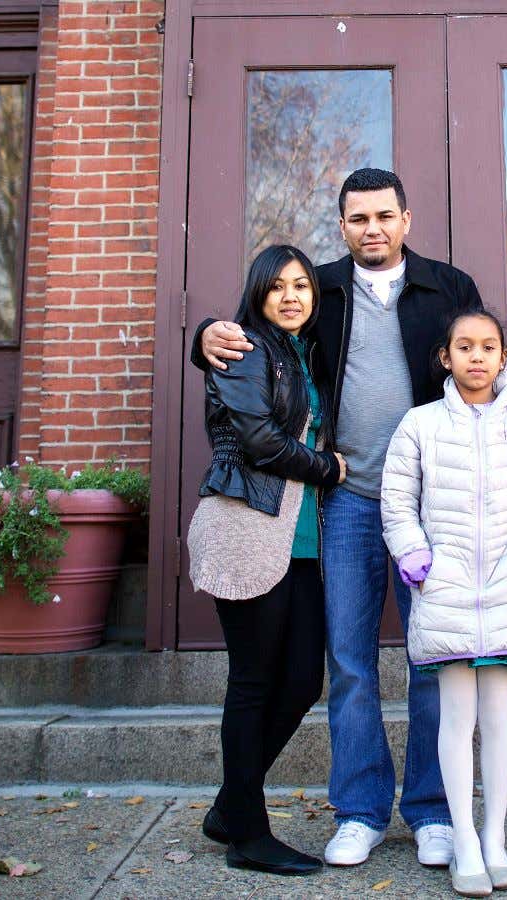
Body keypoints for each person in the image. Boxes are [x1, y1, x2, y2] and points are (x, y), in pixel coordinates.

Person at [197, 169, 483, 867]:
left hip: (430, 503)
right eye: (358, 218)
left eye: (384, 215)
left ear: (407, 219)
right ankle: (359, 810)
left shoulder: (450, 288)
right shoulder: (318, 286)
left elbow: (485, 356)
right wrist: (204, 332)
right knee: (349, 661)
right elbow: (257, 331)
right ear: (343, 225)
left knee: (432, 660)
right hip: (347, 502)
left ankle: (432, 812)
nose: (372, 228)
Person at [380, 311, 507, 897]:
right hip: (448, 588)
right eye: (464, 347)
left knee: (499, 717)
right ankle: (462, 841)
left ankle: (495, 838)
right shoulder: (420, 425)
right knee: (455, 718)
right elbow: (398, 500)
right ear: (446, 357)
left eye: (488, 347)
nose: (476, 357)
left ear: (503, 355)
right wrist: (413, 553)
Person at [185, 245, 347, 876]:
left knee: (303, 678)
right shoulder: (245, 348)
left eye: (301, 285)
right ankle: (249, 834)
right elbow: (257, 440)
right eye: (276, 286)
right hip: (247, 528)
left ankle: (230, 806)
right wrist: (327, 468)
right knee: (253, 682)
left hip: (298, 539)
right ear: (256, 294)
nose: (290, 296)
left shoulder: (303, 355)